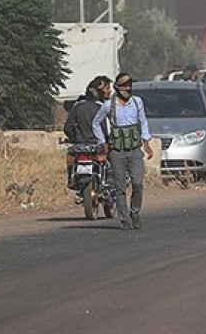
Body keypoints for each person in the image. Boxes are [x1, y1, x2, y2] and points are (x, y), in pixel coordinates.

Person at [91, 73, 155, 230]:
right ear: (117, 88)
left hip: (134, 150)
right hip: (117, 152)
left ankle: (135, 212)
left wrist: (146, 142)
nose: (128, 88)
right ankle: (124, 218)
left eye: (130, 85)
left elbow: (143, 121)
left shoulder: (137, 102)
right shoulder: (108, 106)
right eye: (125, 85)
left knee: (137, 183)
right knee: (119, 188)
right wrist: (103, 143)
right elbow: (95, 123)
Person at [63, 75, 111, 192]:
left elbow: (68, 128)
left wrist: (76, 139)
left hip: (80, 146)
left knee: (71, 158)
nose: (109, 92)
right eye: (107, 89)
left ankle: (72, 180)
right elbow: (106, 131)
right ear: (99, 92)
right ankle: (108, 184)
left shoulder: (77, 106)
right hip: (98, 146)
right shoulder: (103, 108)